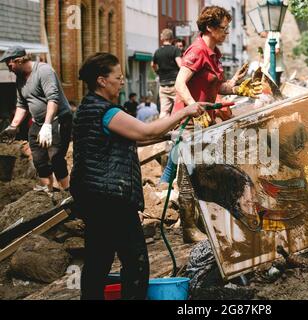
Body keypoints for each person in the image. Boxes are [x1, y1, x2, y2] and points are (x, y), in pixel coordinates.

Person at [71, 52, 206, 300]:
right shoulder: (106, 112)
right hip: (110, 198)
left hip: (95, 196)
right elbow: (144, 131)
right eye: (118, 77)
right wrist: (186, 111)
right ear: (102, 80)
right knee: (135, 261)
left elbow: (137, 136)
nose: (122, 82)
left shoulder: (88, 108)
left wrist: (168, 136)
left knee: (98, 261)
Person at [173, 6, 261, 243]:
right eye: (223, 28)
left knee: (203, 172)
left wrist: (237, 88)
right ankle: (189, 229)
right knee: (188, 173)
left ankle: (202, 223)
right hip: (189, 121)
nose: (227, 33)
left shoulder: (214, 52)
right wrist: (193, 106)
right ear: (209, 28)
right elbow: (179, 84)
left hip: (205, 121)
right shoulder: (197, 50)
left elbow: (217, 86)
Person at [0, 46, 72, 193]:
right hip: (39, 122)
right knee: (39, 159)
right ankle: (49, 189)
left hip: (59, 119)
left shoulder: (44, 71)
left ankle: (68, 192)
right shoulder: (20, 78)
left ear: (19, 60)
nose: (9, 69)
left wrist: (47, 126)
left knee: (56, 157)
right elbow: (22, 104)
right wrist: (13, 126)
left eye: (10, 65)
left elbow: (53, 98)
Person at [152, 29, 182, 119]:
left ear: (162, 38)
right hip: (174, 84)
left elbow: (153, 65)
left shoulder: (158, 51)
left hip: (163, 85)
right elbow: (180, 64)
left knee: (164, 111)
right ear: (172, 39)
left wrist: (158, 72)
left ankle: (166, 131)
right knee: (179, 109)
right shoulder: (175, 50)